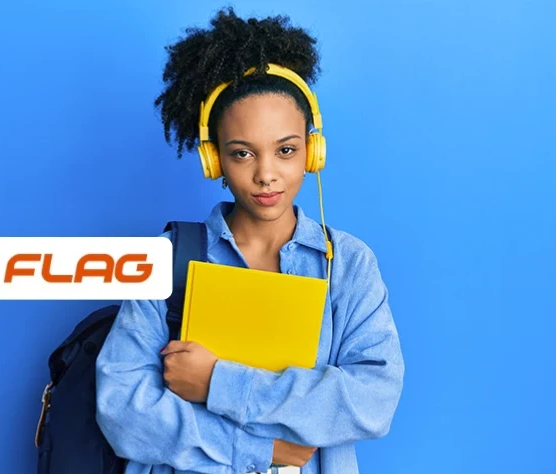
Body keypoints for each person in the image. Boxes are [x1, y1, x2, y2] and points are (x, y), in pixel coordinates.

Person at [95, 7, 404, 474]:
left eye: (285, 150)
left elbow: (371, 399)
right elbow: (123, 411)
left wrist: (217, 382)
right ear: (213, 159)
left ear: (312, 151)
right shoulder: (168, 260)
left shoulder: (348, 264)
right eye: (243, 153)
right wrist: (262, 450)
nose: (266, 174)